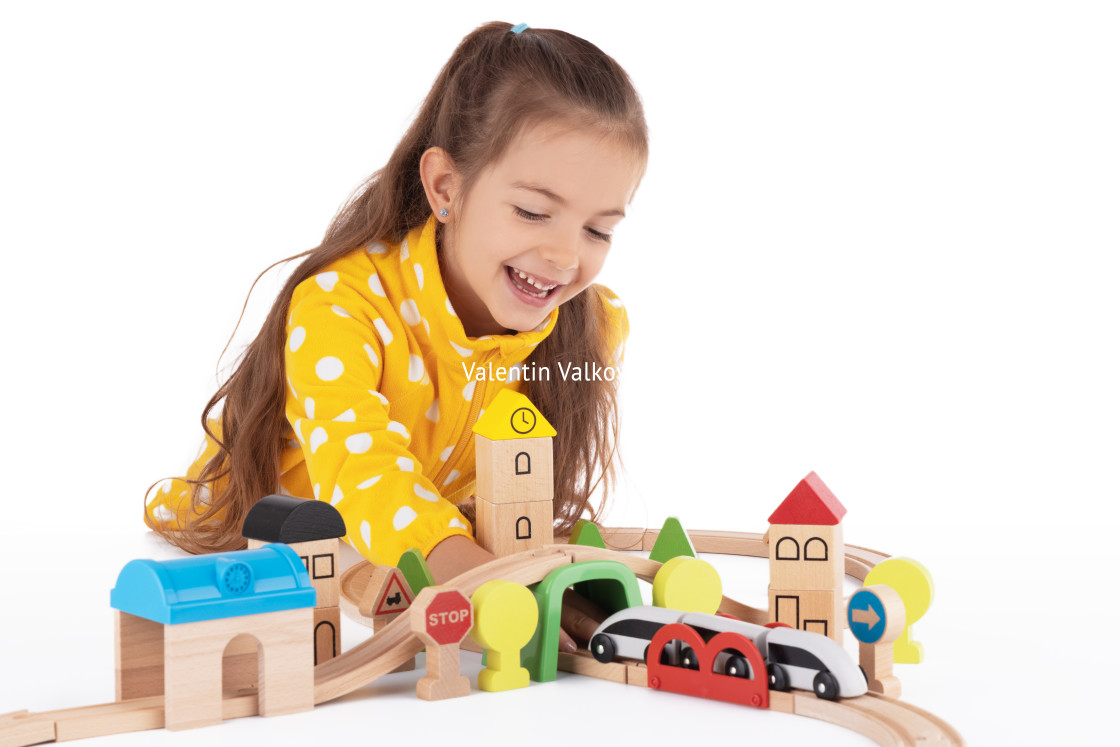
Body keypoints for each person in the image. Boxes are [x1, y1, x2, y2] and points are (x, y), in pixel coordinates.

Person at [145, 21, 646, 651]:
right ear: (446, 188)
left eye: (598, 230)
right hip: (281, 543)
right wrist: (497, 589)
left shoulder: (594, 327)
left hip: (435, 548)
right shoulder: (339, 305)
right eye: (532, 212)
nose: (564, 255)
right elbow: (368, 475)